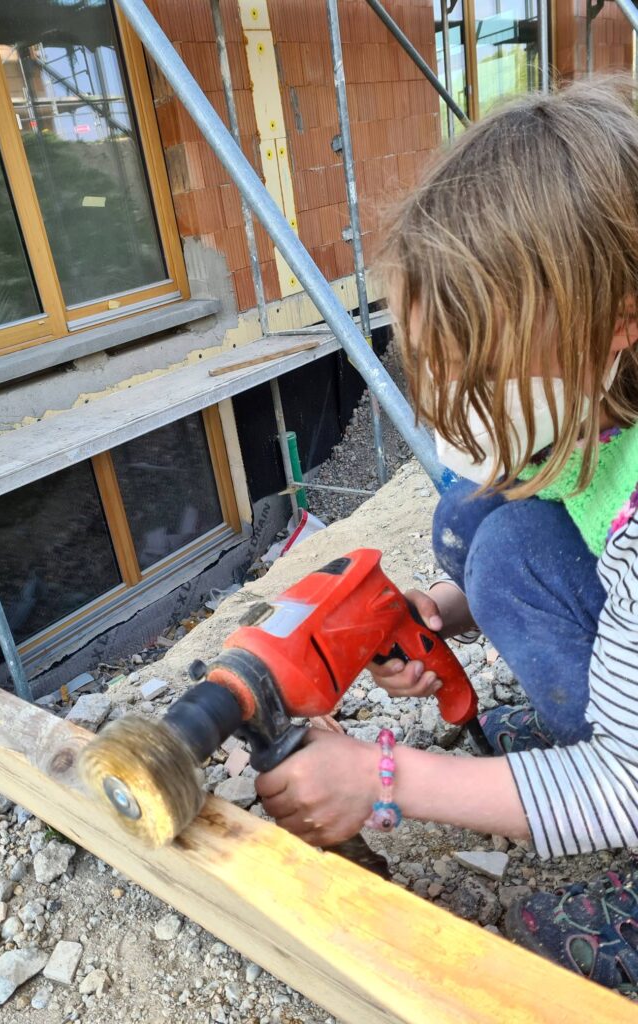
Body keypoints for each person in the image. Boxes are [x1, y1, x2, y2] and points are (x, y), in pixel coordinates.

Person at [255, 78, 638, 992]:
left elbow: (628, 785)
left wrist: (383, 778)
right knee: (486, 529)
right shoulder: (605, 399)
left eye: (487, 367)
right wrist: (437, 611)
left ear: (617, 325)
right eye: (440, 361)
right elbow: (566, 551)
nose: (459, 398)